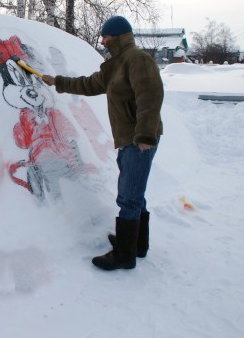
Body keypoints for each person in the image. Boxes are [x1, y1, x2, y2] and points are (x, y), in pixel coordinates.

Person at [42, 15, 163, 271]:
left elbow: (150, 96)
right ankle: (136, 244)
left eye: (105, 36)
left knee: (128, 197)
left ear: (116, 36)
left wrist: (144, 136)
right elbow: (89, 84)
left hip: (139, 139)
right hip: (128, 139)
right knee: (134, 194)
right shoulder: (116, 66)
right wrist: (58, 82)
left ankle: (124, 255)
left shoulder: (137, 60)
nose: (102, 41)